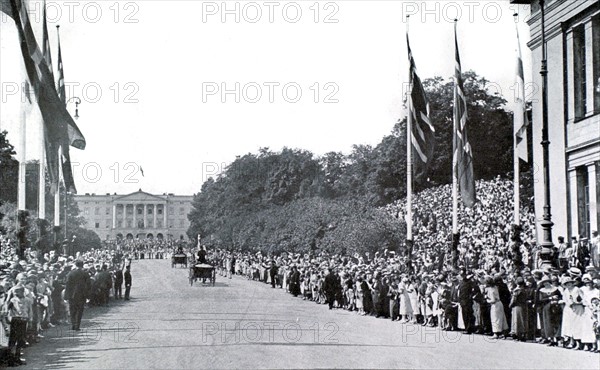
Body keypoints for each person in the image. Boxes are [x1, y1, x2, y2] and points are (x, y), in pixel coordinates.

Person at [64, 260, 91, 331]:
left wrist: (66, 296)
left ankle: (73, 324)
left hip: (72, 295)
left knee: (72, 310)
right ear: (82, 265)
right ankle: (77, 325)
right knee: (79, 311)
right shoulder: (85, 274)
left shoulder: (70, 273)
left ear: (75, 265)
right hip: (82, 295)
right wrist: (88, 296)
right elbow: (88, 286)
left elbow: (67, 285)